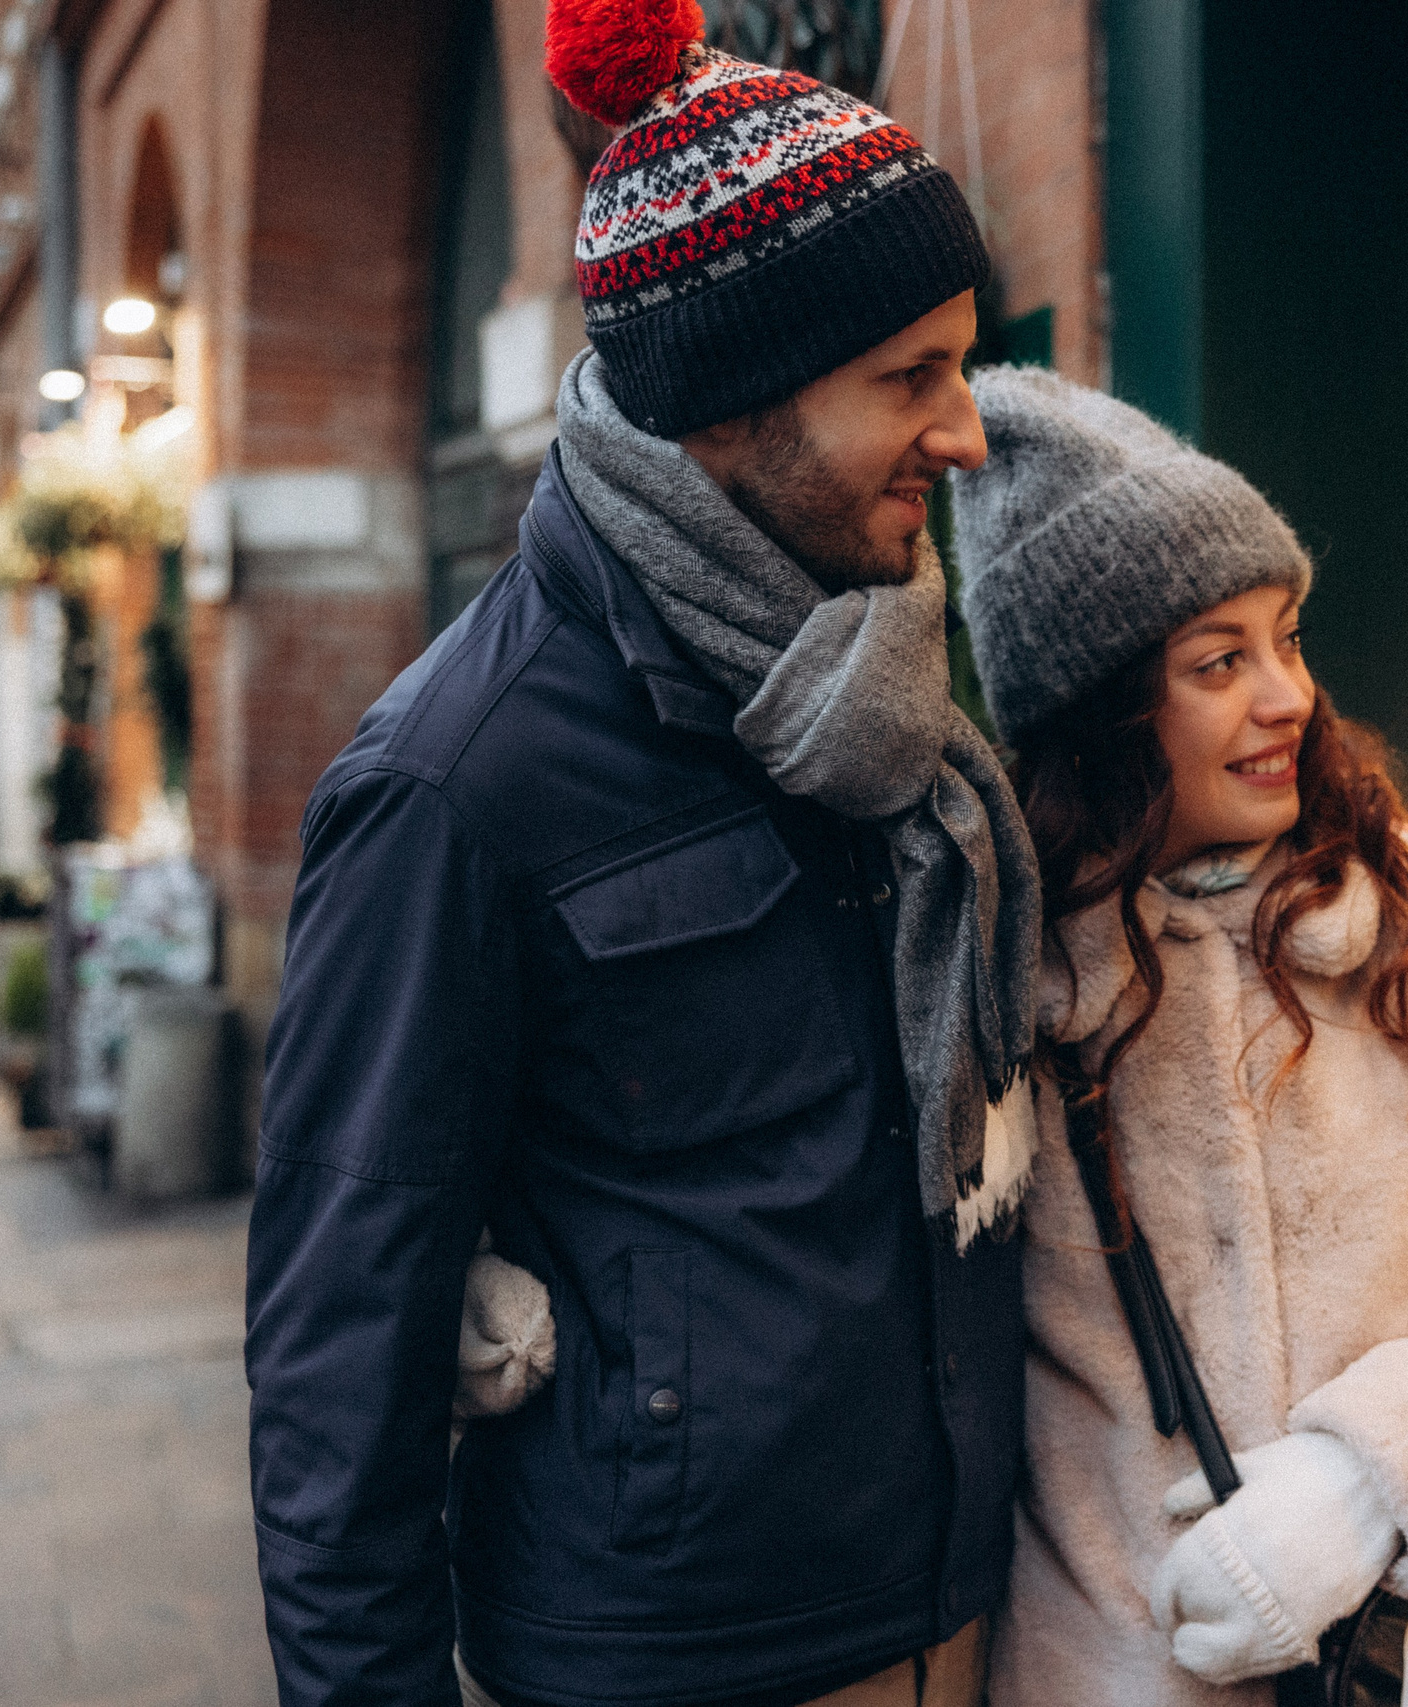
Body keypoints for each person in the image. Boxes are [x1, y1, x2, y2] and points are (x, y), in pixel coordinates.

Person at [243, 5, 1041, 1704]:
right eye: (912, 376)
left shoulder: (884, 677)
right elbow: (340, 1359)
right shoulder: (457, 783)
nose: (967, 434)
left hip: (963, 1614)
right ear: (725, 403)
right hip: (669, 1661)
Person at [947, 367, 1408, 1704]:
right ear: (1106, 711)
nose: (1288, 695)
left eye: (1287, 637)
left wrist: (1369, 1483)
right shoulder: (996, 983)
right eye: (1219, 661)